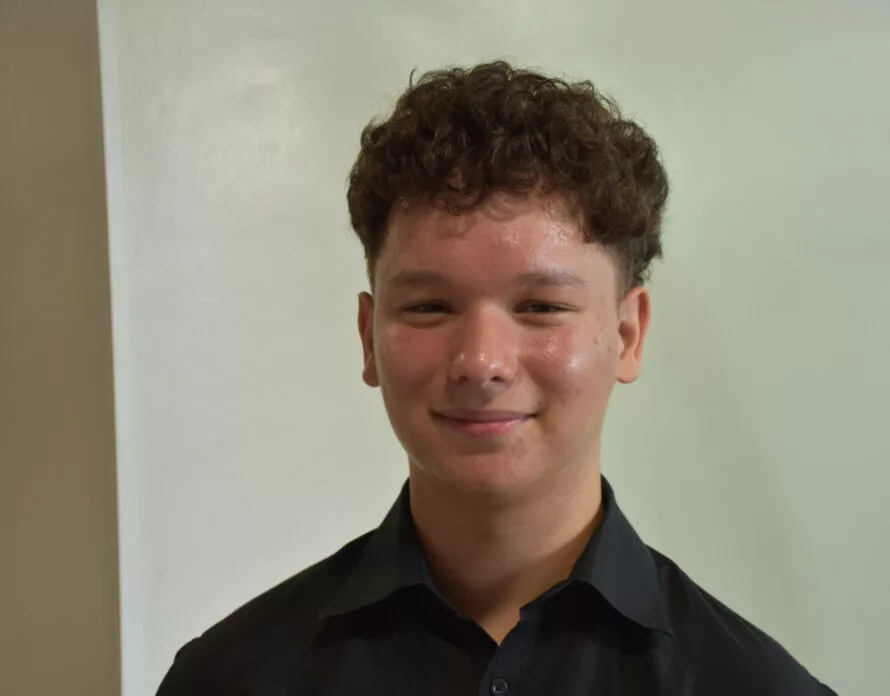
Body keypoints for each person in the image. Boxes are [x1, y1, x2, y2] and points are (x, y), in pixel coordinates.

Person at [157, 60, 837, 695]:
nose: (481, 362)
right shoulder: (227, 679)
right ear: (368, 337)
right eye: (429, 307)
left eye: (541, 307)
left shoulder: (754, 686)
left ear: (628, 336)